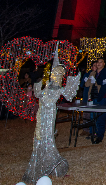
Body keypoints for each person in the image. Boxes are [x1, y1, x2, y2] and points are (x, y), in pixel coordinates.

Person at [22, 49, 79, 182]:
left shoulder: (58, 89)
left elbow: (58, 98)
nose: (55, 75)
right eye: (54, 73)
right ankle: (40, 164)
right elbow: (38, 95)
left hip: (49, 114)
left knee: (48, 137)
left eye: (58, 74)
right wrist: (38, 84)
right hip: (42, 115)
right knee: (39, 138)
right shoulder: (47, 87)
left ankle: (53, 163)